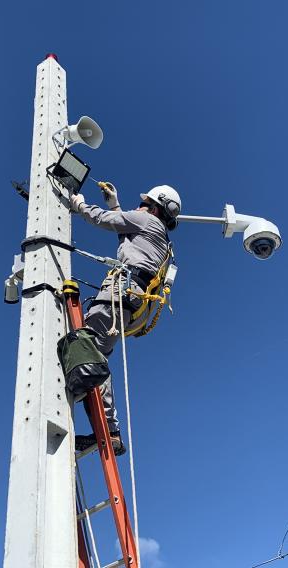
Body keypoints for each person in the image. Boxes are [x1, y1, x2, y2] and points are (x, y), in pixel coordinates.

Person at [68, 183, 181, 455]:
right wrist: (115, 204)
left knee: (85, 350)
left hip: (119, 293)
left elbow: (104, 221)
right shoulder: (161, 238)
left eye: (143, 204)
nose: (138, 207)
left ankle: (105, 425)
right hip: (132, 303)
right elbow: (127, 236)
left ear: (154, 207)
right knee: (95, 357)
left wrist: (79, 204)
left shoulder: (145, 219)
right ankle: (108, 430)